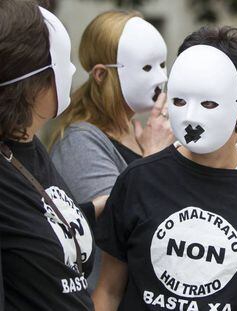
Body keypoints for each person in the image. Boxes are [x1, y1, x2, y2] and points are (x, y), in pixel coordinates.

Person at [92, 26, 237, 311]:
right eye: (179, 100)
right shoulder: (138, 180)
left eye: (209, 102)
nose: (191, 116)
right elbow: (108, 291)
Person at [49, 10, 175, 291]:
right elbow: (120, 228)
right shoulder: (80, 142)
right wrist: (153, 157)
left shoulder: (133, 130)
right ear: (101, 75)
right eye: (146, 68)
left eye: (162, 65)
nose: (161, 77)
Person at [0, 1, 96, 309]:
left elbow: (42, 223)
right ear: (30, 85)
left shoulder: (27, 143)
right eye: (62, 61)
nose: (71, 71)